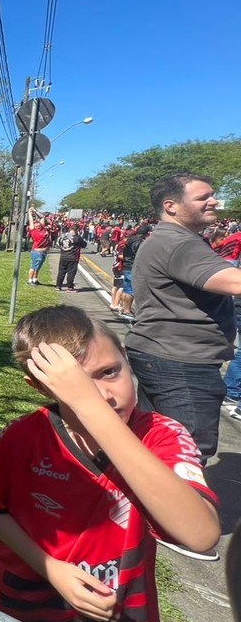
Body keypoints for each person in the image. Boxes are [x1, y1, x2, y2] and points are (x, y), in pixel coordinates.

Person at [0, 305, 220, 622]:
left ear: (127, 358)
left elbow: (201, 533)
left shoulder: (160, 436)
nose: (103, 395)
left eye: (110, 372)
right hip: (23, 621)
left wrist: (87, 405)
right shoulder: (24, 436)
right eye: (80, 385)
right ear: (39, 386)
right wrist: (49, 567)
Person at [125, 174, 241, 489]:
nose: (214, 201)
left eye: (213, 195)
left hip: (162, 353)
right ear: (171, 206)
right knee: (187, 449)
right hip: (182, 362)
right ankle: (176, 523)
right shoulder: (179, 243)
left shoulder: (171, 238)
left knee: (156, 438)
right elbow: (236, 283)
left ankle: (144, 509)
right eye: (203, 197)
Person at [55, 223, 87, 292]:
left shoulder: (63, 236)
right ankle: (70, 287)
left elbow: (58, 244)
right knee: (71, 273)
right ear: (77, 230)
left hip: (63, 256)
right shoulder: (77, 238)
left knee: (61, 272)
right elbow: (84, 244)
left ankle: (58, 286)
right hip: (73, 257)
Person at [27, 210, 51, 285]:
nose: (38, 227)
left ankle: (35, 279)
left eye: (39, 226)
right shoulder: (33, 230)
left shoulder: (43, 228)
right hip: (37, 251)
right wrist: (30, 213)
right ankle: (30, 280)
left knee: (38, 267)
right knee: (33, 267)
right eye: (36, 226)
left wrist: (35, 211)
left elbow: (42, 217)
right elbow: (31, 221)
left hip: (44, 252)